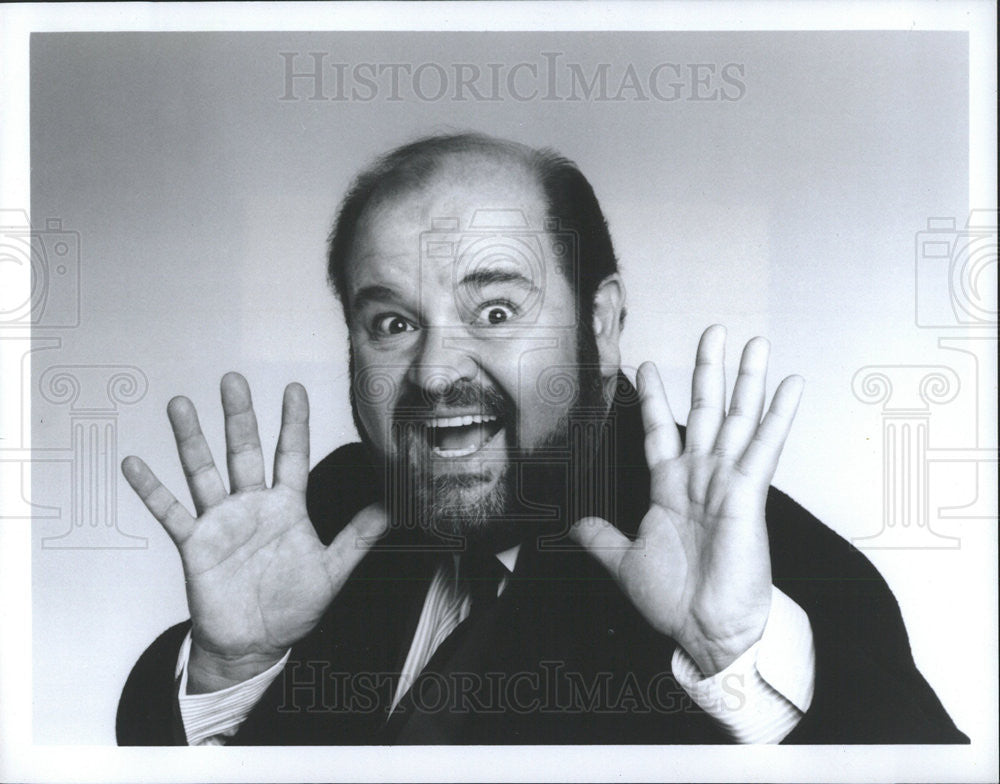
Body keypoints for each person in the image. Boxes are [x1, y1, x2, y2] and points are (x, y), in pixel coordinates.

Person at [116, 133, 967, 745]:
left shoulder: (761, 562)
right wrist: (234, 670)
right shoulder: (332, 509)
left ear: (600, 324)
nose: (433, 370)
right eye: (391, 322)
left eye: (496, 311)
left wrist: (731, 655)